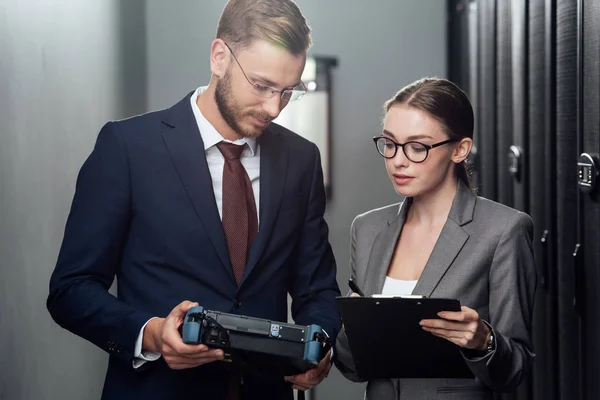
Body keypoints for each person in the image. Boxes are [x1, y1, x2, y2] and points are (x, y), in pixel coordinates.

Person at [47, 0, 341, 398]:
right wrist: (151, 334)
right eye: (261, 86)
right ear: (219, 57)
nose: (274, 108)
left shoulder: (302, 159)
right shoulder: (128, 148)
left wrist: (319, 344)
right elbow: (71, 289)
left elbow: (317, 290)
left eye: (288, 91)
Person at [334, 77, 536, 399]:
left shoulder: (504, 231)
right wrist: (350, 332)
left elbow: (517, 370)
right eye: (389, 143)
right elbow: (352, 368)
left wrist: (484, 340)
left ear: (460, 150)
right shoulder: (368, 228)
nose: (398, 160)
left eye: (417, 147)